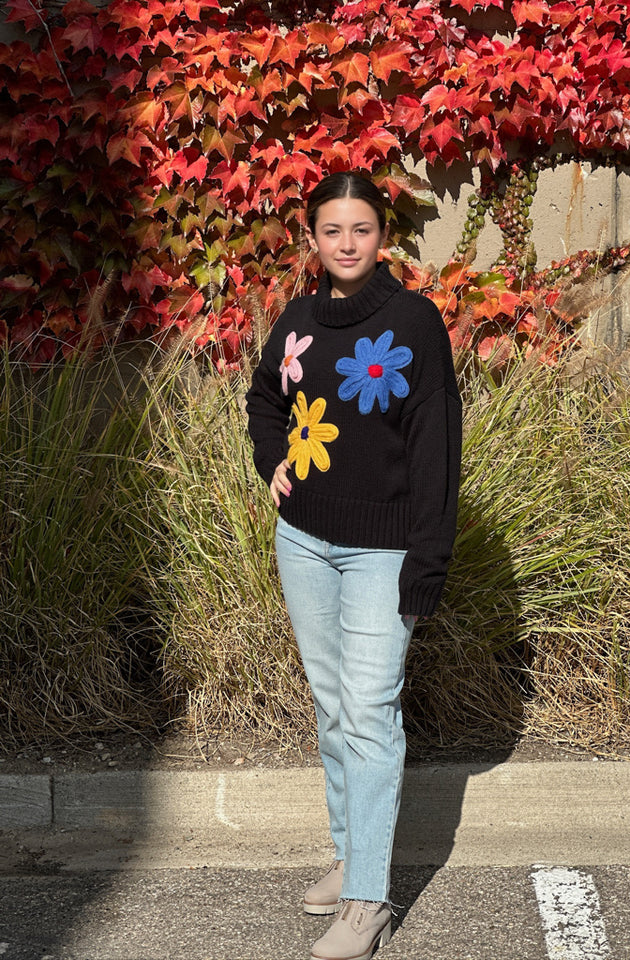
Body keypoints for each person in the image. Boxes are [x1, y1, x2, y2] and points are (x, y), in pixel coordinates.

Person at [245, 171, 462, 960]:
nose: (345, 243)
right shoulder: (298, 320)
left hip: (385, 552)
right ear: (312, 238)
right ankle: (352, 856)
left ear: (382, 237)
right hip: (302, 540)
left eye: (361, 230)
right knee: (334, 707)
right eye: (331, 230)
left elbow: (438, 448)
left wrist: (428, 558)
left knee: (370, 715)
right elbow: (265, 398)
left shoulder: (413, 323)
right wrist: (273, 459)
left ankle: (369, 901)